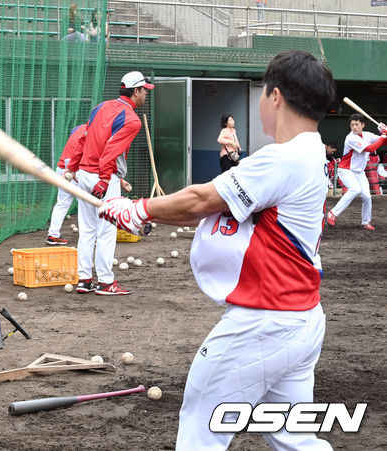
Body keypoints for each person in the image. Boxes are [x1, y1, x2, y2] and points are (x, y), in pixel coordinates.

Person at [98, 50, 336, 449]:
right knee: (295, 438)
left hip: (264, 323)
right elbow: (218, 208)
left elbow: (199, 199)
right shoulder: (309, 152)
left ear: (275, 97)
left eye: (263, 92)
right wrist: (144, 212)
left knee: (200, 428)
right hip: (299, 318)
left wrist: (138, 209)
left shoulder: (286, 158)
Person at [66, 71, 153, 295]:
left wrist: (72, 166)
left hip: (84, 174)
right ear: (136, 91)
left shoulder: (101, 107)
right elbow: (110, 151)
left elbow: (83, 138)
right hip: (103, 177)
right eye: (144, 90)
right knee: (106, 230)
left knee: (87, 230)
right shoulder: (132, 120)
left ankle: (84, 280)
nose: (146, 94)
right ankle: (105, 282)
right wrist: (105, 178)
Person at [326, 113, 386, 230]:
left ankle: (366, 222)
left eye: (357, 125)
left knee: (367, 197)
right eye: (352, 124)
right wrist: (384, 135)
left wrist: (384, 133)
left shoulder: (368, 135)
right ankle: (332, 213)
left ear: (363, 125)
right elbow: (371, 148)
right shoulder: (351, 138)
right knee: (355, 190)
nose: (354, 127)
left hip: (359, 172)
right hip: (346, 170)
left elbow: (383, 142)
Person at [46, 124, 86, 245]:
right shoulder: (95, 130)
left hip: (62, 169)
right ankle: (89, 237)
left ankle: (53, 235)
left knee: (62, 203)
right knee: (86, 206)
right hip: (75, 170)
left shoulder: (79, 128)